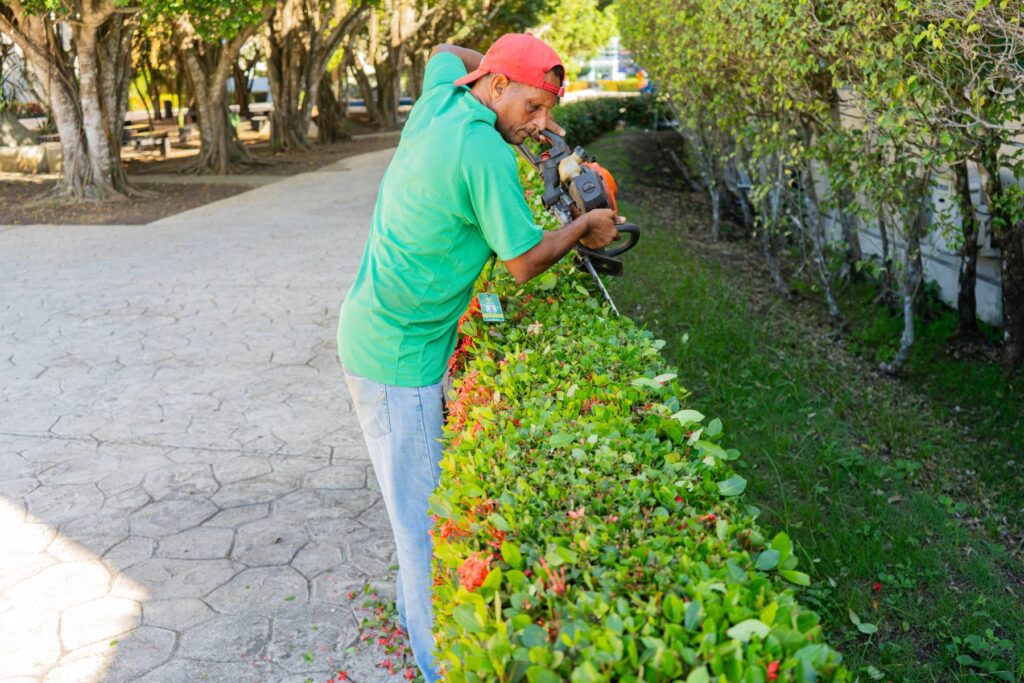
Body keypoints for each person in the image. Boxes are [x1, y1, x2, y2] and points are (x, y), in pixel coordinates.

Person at [336, 33, 624, 680]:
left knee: (421, 520)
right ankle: (440, 668)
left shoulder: (442, 99)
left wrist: (512, 78)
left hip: (373, 331)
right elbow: (522, 262)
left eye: (549, 112)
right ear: (495, 87)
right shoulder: (484, 154)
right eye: (533, 108)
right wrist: (585, 227)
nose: (542, 126)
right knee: (426, 537)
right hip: (397, 361)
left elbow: (446, 49)